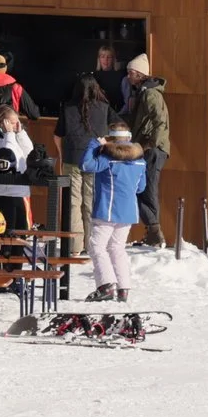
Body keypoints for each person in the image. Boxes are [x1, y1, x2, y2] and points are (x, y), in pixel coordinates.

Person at [80, 124, 148, 301]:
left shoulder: (107, 159)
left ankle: (107, 285)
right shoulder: (140, 161)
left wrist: (94, 144)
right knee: (117, 248)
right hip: (128, 211)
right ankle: (123, 288)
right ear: (129, 138)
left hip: (107, 209)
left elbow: (86, 165)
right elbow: (141, 188)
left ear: (110, 139)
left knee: (96, 246)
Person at [60, 72, 113, 251]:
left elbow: (57, 135)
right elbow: (116, 127)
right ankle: (92, 246)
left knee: (73, 203)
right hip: (95, 159)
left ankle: (74, 246)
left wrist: (62, 155)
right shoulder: (104, 108)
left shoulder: (67, 108)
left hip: (72, 158)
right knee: (91, 201)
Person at [123, 53, 170, 247]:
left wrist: (150, 144)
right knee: (143, 189)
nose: (128, 76)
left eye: (131, 73)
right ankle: (152, 231)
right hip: (149, 148)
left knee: (146, 189)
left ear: (139, 74)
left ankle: (155, 232)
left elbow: (160, 122)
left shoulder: (150, 94)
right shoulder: (143, 92)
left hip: (153, 150)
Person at [0, 103, 35, 234]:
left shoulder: (14, 135)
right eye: (13, 123)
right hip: (0, 192)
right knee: (4, 234)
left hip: (19, 191)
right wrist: (9, 135)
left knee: (21, 233)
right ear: (2, 122)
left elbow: (29, 152)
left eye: (17, 122)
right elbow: (6, 157)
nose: (15, 126)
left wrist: (20, 133)